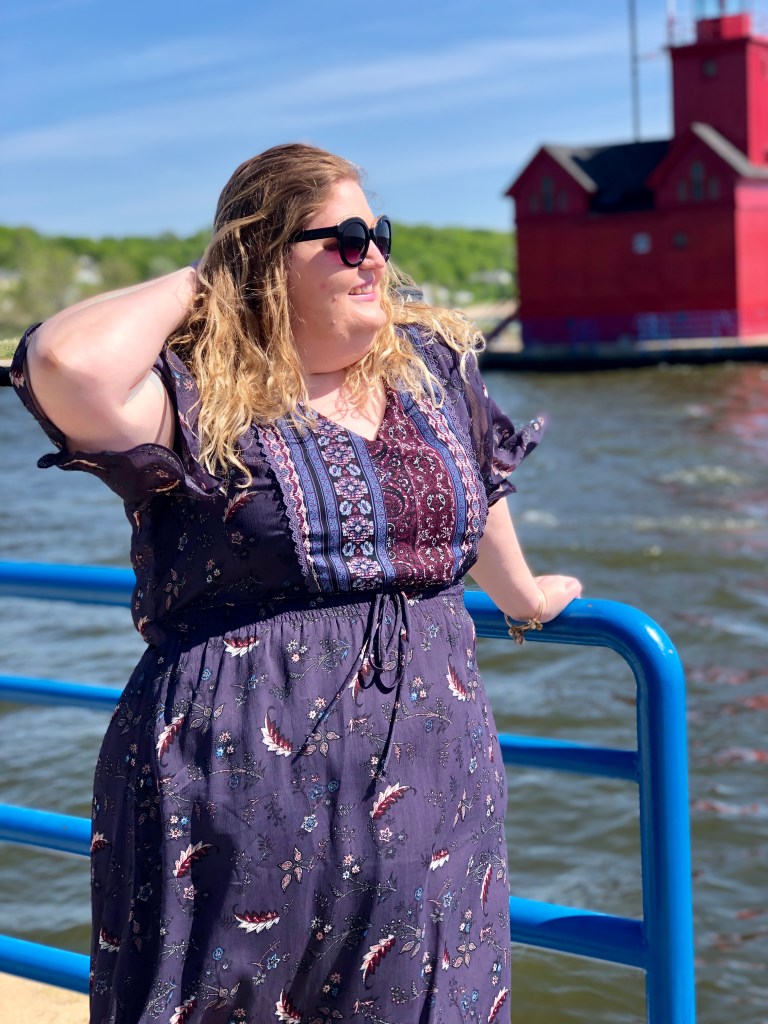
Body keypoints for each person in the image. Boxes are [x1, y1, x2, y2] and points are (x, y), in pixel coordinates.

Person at [11, 143, 581, 1024]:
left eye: (379, 234)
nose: (374, 257)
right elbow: (65, 365)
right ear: (265, 258)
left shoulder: (429, 366)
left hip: (432, 777)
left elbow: (479, 484)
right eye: (345, 240)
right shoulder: (199, 394)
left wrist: (525, 598)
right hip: (232, 790)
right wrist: (210, 276)